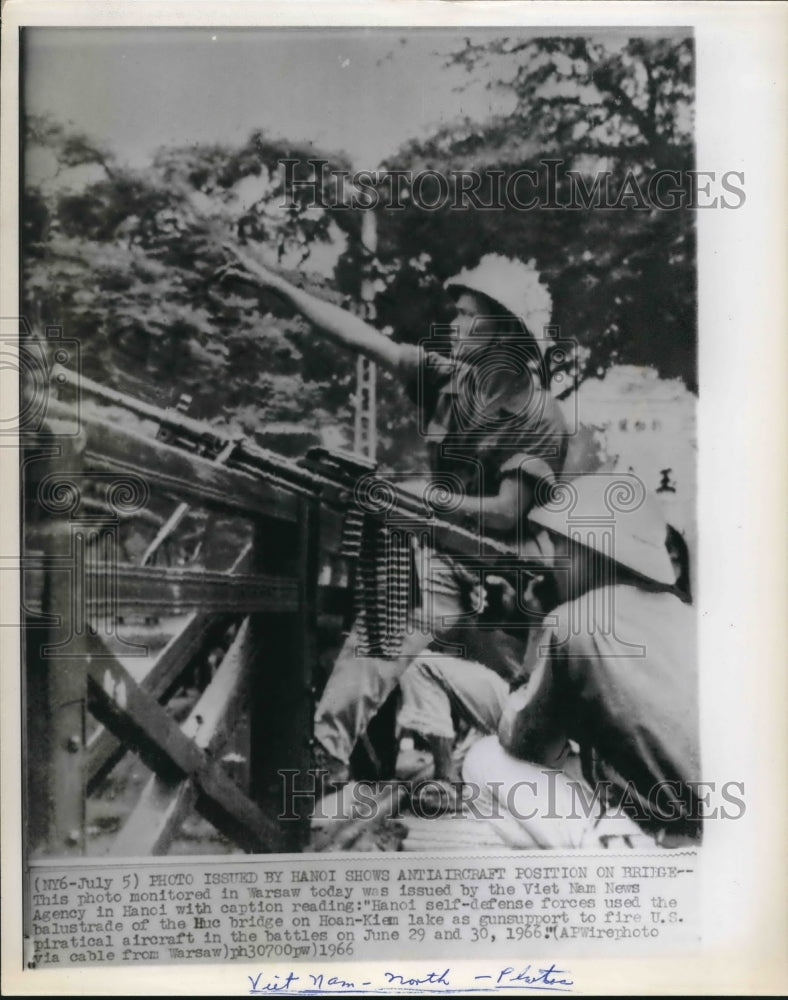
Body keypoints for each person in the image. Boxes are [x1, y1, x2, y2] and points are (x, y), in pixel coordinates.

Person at [220, 247, 569, 784]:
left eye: (466, 314)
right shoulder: (446, 380)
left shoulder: (539, 414)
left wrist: (419, 497)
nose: (453, 322)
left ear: (501, 333)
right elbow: (361, 338)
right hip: (443, 554)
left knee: (522, 717)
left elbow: (505, 514)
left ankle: (483, 779)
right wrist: (277, 287)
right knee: (383, 628)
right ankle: (326, 753)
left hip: (510, 573)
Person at [462, 473, 701, 848]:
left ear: (588, 551)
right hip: (722, 834)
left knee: (483, 758)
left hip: (652, 842)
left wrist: (539, 626)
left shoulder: (572, 620)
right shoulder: (693, 619)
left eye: (559, 547)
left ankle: (600, 852)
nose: (553, 562)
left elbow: (525, 742)